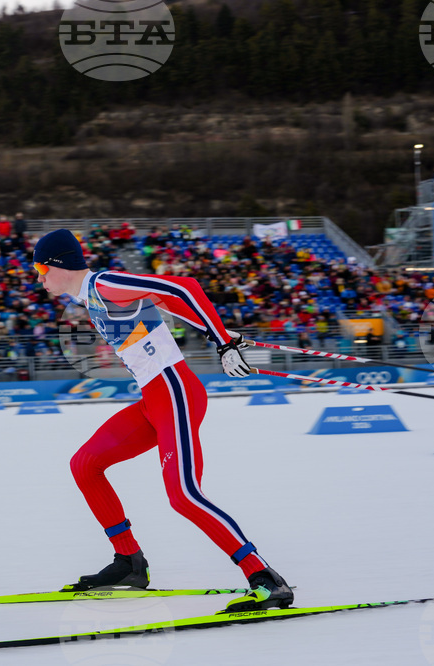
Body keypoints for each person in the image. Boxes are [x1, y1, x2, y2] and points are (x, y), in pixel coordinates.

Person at [32, 229, 293, 611]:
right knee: (85, 465)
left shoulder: (103, 284)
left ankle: (266, 579)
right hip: (153, 400)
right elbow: (164, 306)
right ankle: (129, 563)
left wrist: (222, 341)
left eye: (40, 268)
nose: (39, 278)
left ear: (58, 265)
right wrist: (211, 330)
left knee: (184, 496)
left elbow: (183, 288)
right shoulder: (91, 298)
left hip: (175, 394)